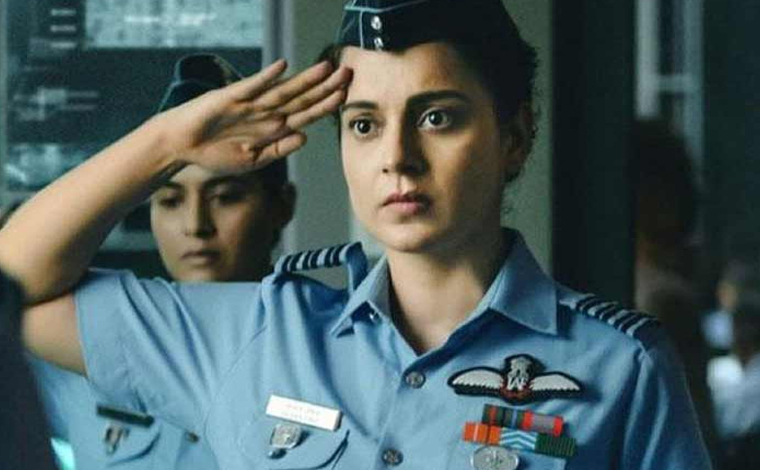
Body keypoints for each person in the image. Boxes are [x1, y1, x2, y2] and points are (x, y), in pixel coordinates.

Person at [0, 0, 713, 469]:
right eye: (365, 124)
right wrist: (167, 143)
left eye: (437, 117)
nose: (397, 157)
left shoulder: (621, 367)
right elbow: (16, 280)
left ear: (515, 137)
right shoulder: (255, 333)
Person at [25, 53, 296, 470]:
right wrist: (161, 146)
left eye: (225, 197)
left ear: (281, 207)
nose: (196, 225)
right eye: (169, 200)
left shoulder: (316, 345)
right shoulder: (89, 341)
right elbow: (13, 286)